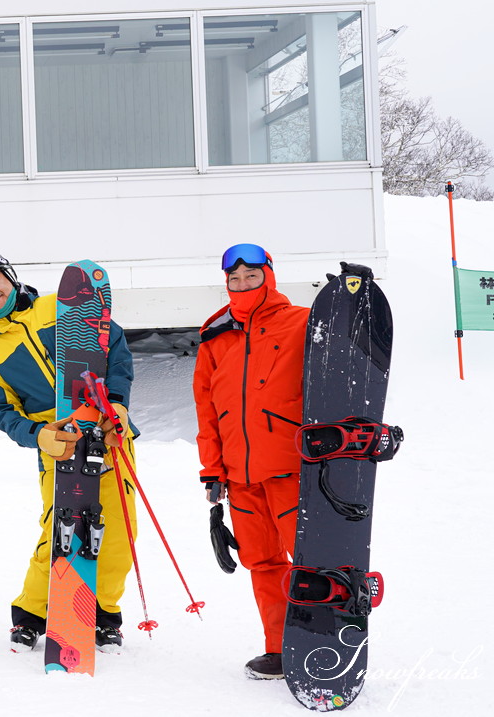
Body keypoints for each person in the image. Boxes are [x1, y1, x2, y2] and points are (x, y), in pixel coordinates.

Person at [0, 251, 137, 654]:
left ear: (10, 276)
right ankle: (32, 614)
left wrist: (119, 405)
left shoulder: (63, 308)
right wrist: (37, 435)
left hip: (106, 432)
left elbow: (117, 349)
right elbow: (2, 413)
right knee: (59, 530)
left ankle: (103, 614)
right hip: (57, 445)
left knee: (120, 531)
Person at [193, 243, 309, 680]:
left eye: (251, 277)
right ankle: (280, 650)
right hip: (240, 476)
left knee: (312, 560)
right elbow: (207, 408)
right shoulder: (215, 332)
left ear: (269, 276)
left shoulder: (302, 322)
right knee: (261, 563)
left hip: (291, 468)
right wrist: (212, 471)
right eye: (234, 279)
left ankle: (327, 641)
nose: (242, 285)